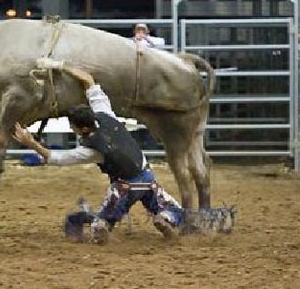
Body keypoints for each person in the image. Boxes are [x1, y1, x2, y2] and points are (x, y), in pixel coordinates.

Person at [13, 60, 182, 243]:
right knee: (175, 211)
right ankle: (165, 218)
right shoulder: (105, 113)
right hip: (148, 179)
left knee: (101, 225)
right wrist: (58, 65)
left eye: (73, 126)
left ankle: (100, 227)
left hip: (124, 188)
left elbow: (56, 157)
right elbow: (88, 80)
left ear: (83, 129)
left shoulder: (93, 150)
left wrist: (31, 142)